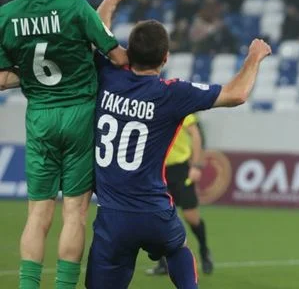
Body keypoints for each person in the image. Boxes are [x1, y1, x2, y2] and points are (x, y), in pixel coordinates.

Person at [85, 20, 271, 288]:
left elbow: (91, 36)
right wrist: (254, 56)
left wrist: (110, 3)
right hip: (154, 212)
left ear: (128, 52)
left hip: (111, 215)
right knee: (176, 248)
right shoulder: (172, 93)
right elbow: (237, 94)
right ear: (165, 58)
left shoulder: (108, 76)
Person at [0, 0, 128, 289]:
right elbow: (116, 56)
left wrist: (29, 74)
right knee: (75, 213)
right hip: (79, 118)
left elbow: (1, 79)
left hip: (40, 118)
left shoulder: (5, 17)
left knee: (38, 213)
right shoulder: (75, 8)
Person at [147, 112, 214, 276]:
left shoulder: (182, 108)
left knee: (191, 217)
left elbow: (196, 135)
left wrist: (196, 166)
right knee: (158, 216)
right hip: (158, 169)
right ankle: (163, 262)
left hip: (180, 169)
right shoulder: (154, 108)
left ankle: (204, 250)